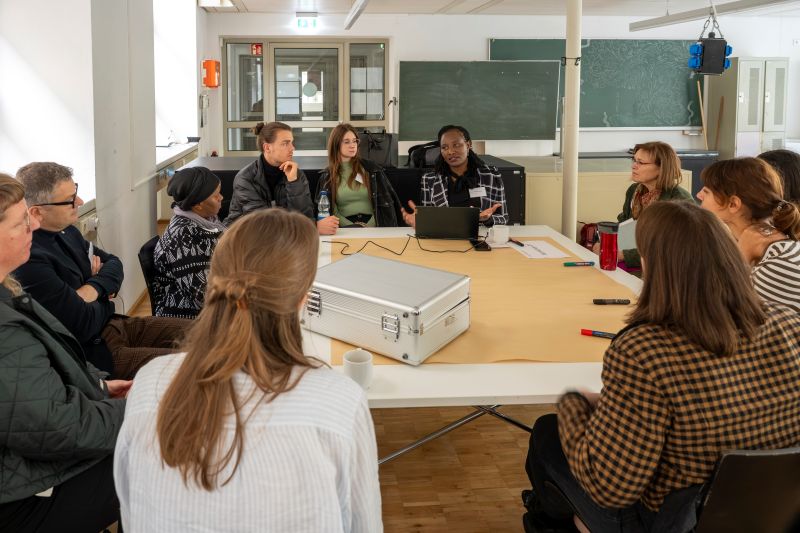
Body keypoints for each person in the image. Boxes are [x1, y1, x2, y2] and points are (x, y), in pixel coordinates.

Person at [524, 201, 800, 533]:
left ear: (651, 264)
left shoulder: (645, 351)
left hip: (674, 521)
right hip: (773, 510)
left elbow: (611, 488)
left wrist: (575, 403)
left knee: (546, 434)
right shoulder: (789, 324)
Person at [114, 209, 382, 532]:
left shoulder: (148, 385)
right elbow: (364, 525)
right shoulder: (340, 402)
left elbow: (131, 515)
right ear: (302, 300)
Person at [0, 174, 129, 533]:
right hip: (19, 496)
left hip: (28, 462)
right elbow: (59, 430)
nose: (35, 224)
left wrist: (102, 390)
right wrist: (141, 407)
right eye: (23, 221)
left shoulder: (7, 290)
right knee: (163, 456)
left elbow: (35, 391)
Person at [13, 162, 190, 379]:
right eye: (69, 200)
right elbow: (83, 325)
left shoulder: (67, 231)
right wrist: (105, 294)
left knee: (209, 331)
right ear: (37, 212)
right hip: (97, 353)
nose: (79, 201)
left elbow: (114, 263)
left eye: (75, 193)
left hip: (116, 325)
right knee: (195, 364)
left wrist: (93, 286)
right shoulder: (28, 259)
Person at [697, 157, 800, 313]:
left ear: (733, 204)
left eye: (706, 192)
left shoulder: (779, 263)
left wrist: (742, 256)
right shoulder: (741, 241)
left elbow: (725, 319)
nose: (698, 195)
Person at [592, 141, 693, 269]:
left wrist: (625, 255)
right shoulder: (634, 190)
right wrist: (605, 242)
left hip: (666, 268)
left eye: (641, 162)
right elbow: (625, 224)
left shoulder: (678, 200)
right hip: (639, 261)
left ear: (662, 167)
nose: (634, 166)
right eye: (634, 160)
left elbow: (672, 247)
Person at [153, 166, 225, 318]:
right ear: (198, 204)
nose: (222, 198)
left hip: (211, 302)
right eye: (216, 196)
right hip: (184, 314)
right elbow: (203, 296)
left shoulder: (207, 220)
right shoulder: (183, 237)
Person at [401, 125, 507, 228]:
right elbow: (429, 218)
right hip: (445, 238)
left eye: (456, 145)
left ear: (468, 144)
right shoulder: (430, 179)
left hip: (480, 237)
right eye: (444, 147)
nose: (450, 151)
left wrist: (488, 219)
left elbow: (503, 218)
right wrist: (420, 221)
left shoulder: (491, 175)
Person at [223, 121, 317, 227]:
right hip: (242, 238)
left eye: (291, 142)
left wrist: (293, 182)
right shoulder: (245, 178)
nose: (292, 148)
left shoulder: (296, 174)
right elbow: (264, 223)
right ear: (267, 148)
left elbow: (305, 219)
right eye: (285, 143)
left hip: (281, 238)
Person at [314, 123, 402, 234]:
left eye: (355, 141)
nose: (352, 145)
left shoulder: (372, 170)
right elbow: (330, 211)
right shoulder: (326, 176)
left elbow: (387, 206)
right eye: (346, 142)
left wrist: (368, 226)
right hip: (343, 231)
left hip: (376, 229)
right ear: (336, 145)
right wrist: (354, 227)